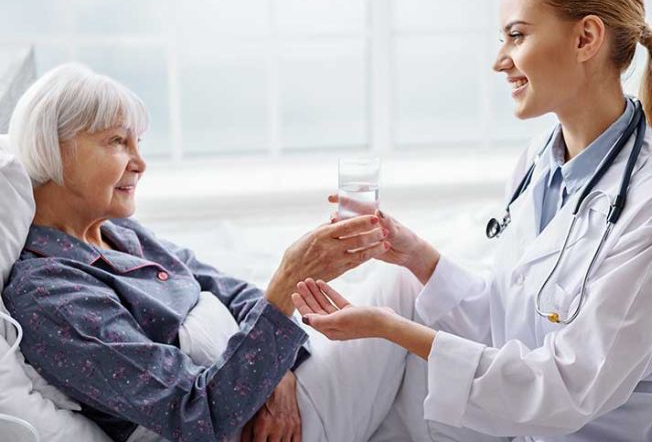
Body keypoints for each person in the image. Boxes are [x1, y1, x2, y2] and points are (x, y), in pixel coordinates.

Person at [293, 0, 652, 441]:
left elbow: (570, 387)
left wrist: (389, 329)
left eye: (517, 35)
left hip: (625, 432)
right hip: (535, 422)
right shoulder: (539, 160)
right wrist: (417, 256)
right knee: (396, 302)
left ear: (586, 38)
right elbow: (516, 321)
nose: (499, 61)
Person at [3, 62, 419, 442]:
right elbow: (193, 412)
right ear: (54, 148)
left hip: (272, 392)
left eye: (137, 143)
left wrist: (280, 370)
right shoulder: (50, 292)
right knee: (406, 285)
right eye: (117, 142)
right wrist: (287, 281)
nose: (140, 163)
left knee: (410, 321)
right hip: (252, 429)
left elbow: (231, 290)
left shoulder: (118, 232)